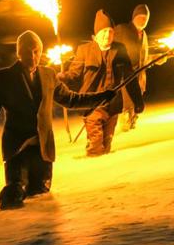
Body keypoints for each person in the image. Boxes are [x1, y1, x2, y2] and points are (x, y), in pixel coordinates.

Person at [0, 31, 116, 209]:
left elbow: (71, 100)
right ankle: (9, 228)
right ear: (18, 52)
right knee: (15, 191)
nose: (32, 56)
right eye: (26, 51)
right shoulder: (5, 77)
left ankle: (40, 234)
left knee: (40, 196)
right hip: (18, 148)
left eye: (36, 51)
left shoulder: (48, 75)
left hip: (43, 148)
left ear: (41, 52)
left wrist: (102, 97)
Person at [59, 9, 143, 157]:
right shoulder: (84, 50)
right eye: (103, 32)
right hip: (92, 104)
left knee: (107, 146)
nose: (107, 36)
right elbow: (74, 74)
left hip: (113, 104)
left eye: (110, 32)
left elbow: (130, 76)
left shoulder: (120, 49)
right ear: (95, 35)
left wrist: (137, 100)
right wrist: (62, 77)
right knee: (96, 148)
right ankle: (92, 157)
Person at [113, 4, 151, 130]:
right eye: (140, 17)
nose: (142, 20)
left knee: (136, 101)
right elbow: (112, 47)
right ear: (133, 17)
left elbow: (144, 57)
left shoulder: (144, 34)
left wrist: (162, 57)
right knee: (126, 100)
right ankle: (125, 121)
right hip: (126, 74)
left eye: (145, 18)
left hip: (139, 76)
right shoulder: (122, 29)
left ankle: (132, 120)